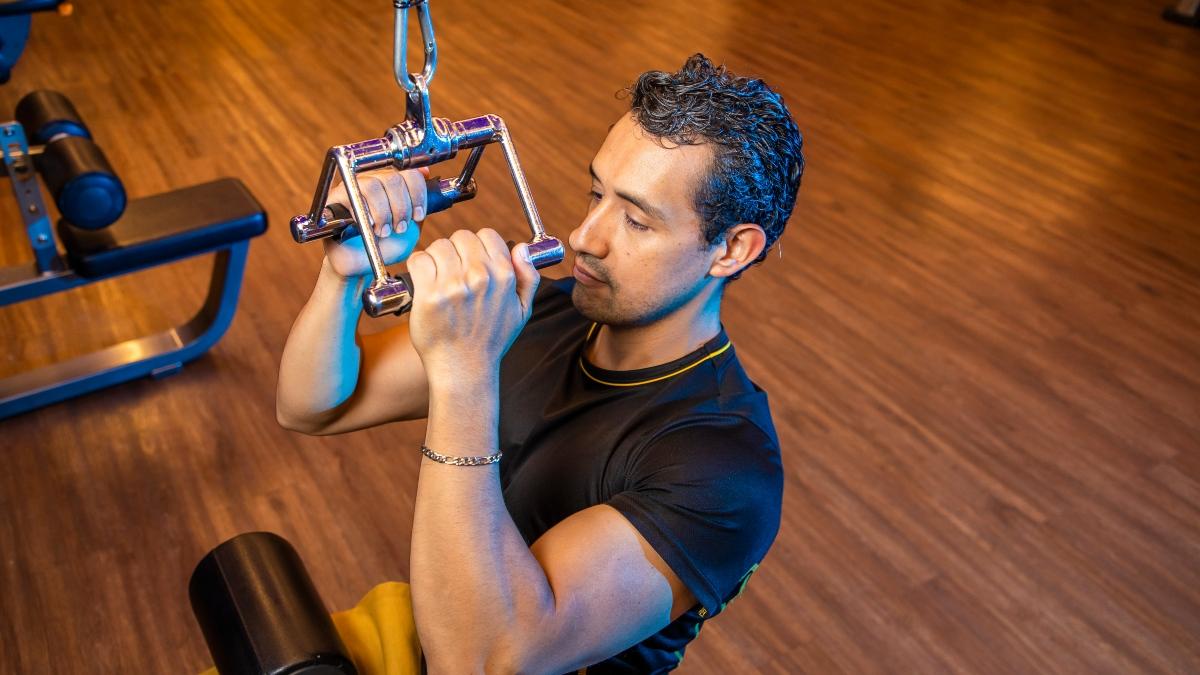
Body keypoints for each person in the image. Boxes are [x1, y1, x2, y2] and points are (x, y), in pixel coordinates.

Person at [277, 53, 804, 674]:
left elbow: (483, 660)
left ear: (732, 249)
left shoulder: (724, 466)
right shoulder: (544, 313)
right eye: (596, 193)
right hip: (421, 627)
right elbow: (312, 407)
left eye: (636, 219)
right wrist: (345, 277)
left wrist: (465, 372)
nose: (585, 235)